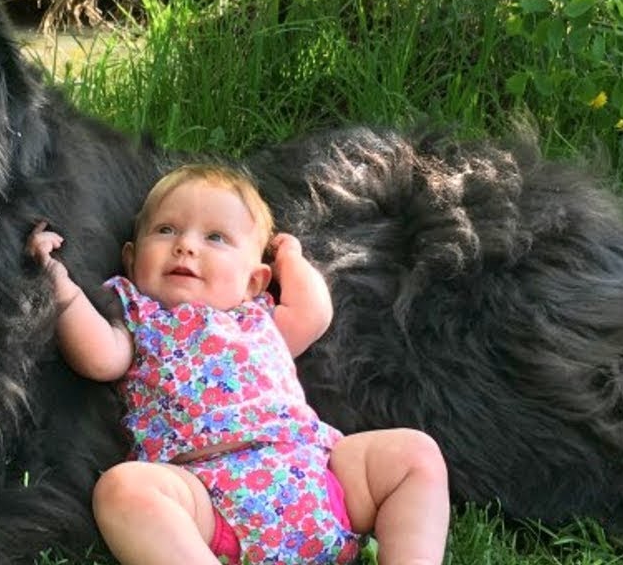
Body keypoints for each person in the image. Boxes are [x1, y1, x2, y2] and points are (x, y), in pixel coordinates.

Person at [26, 164, 449, 565]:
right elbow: (99, 357)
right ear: (132, 259)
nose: (186, 244)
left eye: (215, 238)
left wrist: (292, 258)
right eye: (166, 229)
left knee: (416, 453)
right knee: (122, 489)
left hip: (316, 478)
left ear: (255, 281)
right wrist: (60, 286)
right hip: (206, 494)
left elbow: (316, 313)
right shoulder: (139, 316)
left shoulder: (261, 319)